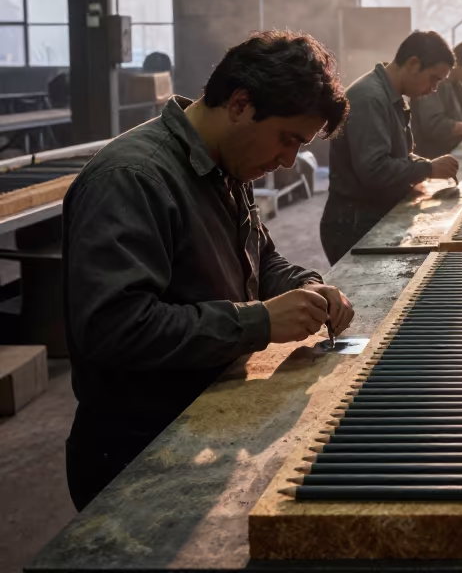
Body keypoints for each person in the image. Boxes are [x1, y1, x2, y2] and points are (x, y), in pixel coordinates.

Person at [63, 31, 356, 511]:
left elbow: (259, 259)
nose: (287, 162)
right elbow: (114, 328)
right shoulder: (132, 180)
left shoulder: (225, 166)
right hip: (137, 452)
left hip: (203, 420)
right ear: (240, 103)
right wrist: (259, 322)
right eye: (287, 140)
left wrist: (306, 287)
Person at [320, 31, 460, 263]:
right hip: (354, 224)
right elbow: (375, 170)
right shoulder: (370, 99)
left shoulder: (390, 96)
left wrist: (427, 165)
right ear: (413, 64)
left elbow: (397, 156)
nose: (434, 89)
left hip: (369, 214)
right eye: (434, 78)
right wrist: (427, 169)